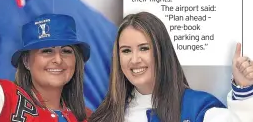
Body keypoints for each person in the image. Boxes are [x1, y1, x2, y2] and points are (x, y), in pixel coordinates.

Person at [90, 12, 252, 122]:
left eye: (144, 48)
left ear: (162, 52)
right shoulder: (104, 117)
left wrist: (243, 89)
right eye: (126, 51)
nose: (134, 59)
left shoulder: (197, 108)